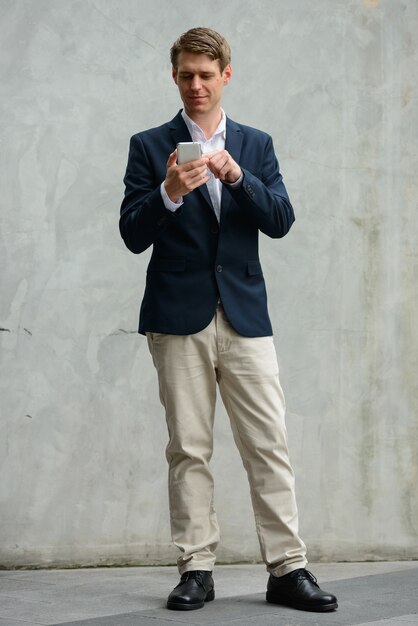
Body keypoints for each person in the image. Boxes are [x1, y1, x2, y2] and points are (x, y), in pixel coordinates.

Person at [119, 27, 337, 613]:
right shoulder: (149, 144)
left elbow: (282, 219)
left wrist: (239, 177)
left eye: (206, 75)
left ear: (226, 76)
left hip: (244, 314)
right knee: (188, 448)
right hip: (176, 316)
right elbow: (131, 233)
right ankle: (197, 568)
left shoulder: (255, 144)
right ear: (175, 76)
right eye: (186, 74)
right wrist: (167, 191)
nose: (195, 85)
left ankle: (288, 569)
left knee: (269, 445)